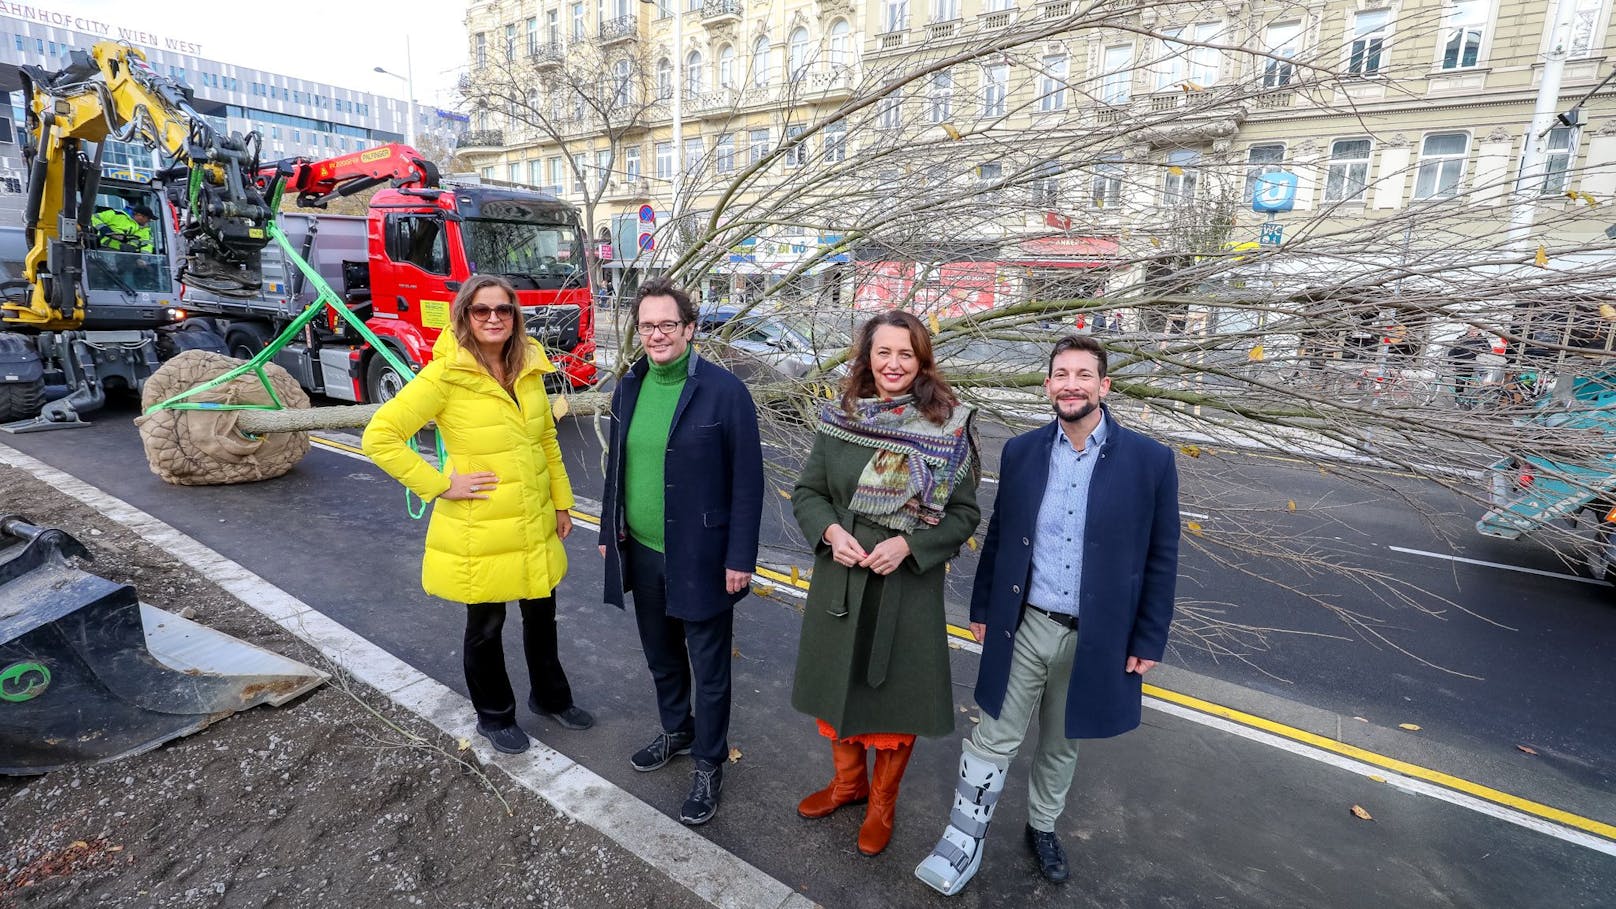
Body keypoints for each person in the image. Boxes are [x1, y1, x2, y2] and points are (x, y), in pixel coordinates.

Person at [915, 334, 1180, 895]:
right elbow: (1004, 535)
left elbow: (1162, 555)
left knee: (1062, 742)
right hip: (1027, 622)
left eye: (1083, 375)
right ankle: (963, 838)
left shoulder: (1150, 461)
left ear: (1104, 387)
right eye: (1061, 374)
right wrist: (984, 603)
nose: (1071, 384)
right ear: (1048, 385)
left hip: (1098, 637)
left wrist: (1148, 639)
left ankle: (1042, 827)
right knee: (995, 733)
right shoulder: (1023, 451)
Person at [363, 274, 594, 755]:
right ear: (464, 315)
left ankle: (551, 698)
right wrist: (441, 485)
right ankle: (494, 716)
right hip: (479, 523)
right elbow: (380, 437)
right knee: (486, 626)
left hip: (532, 516)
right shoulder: (445, 375)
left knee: (542, 614)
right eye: (481, 310)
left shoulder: (528, 367)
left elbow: (545, 440)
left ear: (515, 316)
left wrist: (561, 502)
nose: (493, 318)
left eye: (503, 310)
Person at [790, 310, 981, 858]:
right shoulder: (840, 418)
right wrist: (829, 531)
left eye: (905, 353)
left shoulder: (948, 425)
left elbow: (964, 514)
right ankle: (848, 786)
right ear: (866, 357)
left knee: (894, 702)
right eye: (883, 352)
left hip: (905, 587)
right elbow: (808, 492)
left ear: (921, 360)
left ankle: (881, 803)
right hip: (843, 578)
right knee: (839, 687)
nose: (893, 364)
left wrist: (909, 546)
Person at [598, 276, 763, 826]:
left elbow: (748, 481)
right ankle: (677, 729)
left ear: (690, 329)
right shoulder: (628, 385)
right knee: (662, 654)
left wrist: (740, 556)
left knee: (709, 667)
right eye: (647, 325)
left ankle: (709, 762)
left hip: (705, 557)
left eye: (668, 324)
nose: (657, 334)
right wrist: (608, 532)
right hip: (643, 549)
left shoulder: (724, 391)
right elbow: (617, 467)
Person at [1447, 325, 1488, 410]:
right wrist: (1451, 363)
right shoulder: (1461, 339)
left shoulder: (1482, 340)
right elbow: (1451, 352)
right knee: (1459, 386)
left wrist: (1481, 346)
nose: (1473, 332)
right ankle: (1457, 403)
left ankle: (1470, 403)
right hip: (1461, 366)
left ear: (1478, 331)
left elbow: (1489, 350)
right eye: (1471, 330)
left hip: (1475, 368)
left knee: (1472, 387)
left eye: (1475, 330)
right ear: (1468, 331)